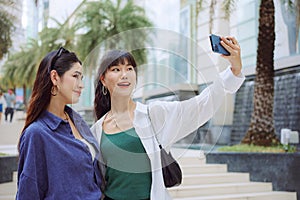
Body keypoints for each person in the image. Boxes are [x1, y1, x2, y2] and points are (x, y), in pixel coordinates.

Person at [91, 36, 245, 200]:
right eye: (116, 69)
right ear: (103, 79)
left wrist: (233, 70)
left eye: (129, 69)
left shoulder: (155, 114)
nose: (124, 75)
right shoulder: (96, 130)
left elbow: (201, 105)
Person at [16, 47, 102, 199]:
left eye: (81, 78)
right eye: (76, 76)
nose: (81, 84)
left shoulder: (78, 121)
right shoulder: (37, 134)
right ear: (55, 77)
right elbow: (28, 193)